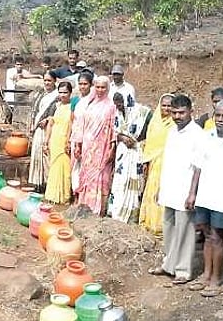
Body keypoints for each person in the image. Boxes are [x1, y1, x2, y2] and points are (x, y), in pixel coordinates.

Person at [186, 99, 223, 297]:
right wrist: (192, 193)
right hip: (205, 196)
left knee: (217, 237)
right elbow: (197, 167)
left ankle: (217, 280)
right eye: (217, 115)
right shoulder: (206, 137)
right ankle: (206, 276)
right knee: (207, 235)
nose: (220, 119)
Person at [149, 94, 204, 284]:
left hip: (184, 191)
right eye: (175, 112)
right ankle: (168, 265)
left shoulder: (197, 134)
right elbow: (169, 162)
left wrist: (192, 193)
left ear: (191, 111)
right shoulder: (173, 131)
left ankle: (183, 270)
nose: (178, 116)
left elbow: (198, 166)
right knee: (169, 228)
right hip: (169, 189)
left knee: (185, 231)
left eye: (182, 113)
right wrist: (160, 187)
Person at [74, 76, 116, 216]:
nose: (99, 90)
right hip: (87, 147)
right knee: (85, 175)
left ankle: (97, 210)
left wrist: (111, 148)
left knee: (101, 176)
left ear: (107, 88)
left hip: (102, 148)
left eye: (103, 87)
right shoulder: (89, 104)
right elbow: (81, 125)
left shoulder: (111, 106)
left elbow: (113, 129)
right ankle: (84, 205)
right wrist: (78, 145)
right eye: (97, 87)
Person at [108, 93, 152, 223]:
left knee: (135, 182)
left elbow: (151, 132)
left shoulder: (143, 113)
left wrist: (138, 141)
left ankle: (131, 216)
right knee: (120, 182)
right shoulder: (117, 113)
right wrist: (122, 138)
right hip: (122, 154)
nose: (119, 107)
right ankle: (117, 213)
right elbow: (115, 132)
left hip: (137, 152)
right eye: (116, 105)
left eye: (121, 104)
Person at [139, 94, 175, 235]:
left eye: (169, 105)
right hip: (154, 162)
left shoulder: (174, 124)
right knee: (152, 190)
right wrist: (146, 160)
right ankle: (149, 221)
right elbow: (149, 142)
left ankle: (161, 225)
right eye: (164, 105)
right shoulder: (155, 122)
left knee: (163, 190)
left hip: (168, 163)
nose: (166, 108)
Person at [28, 71, 59, 192]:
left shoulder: (57, 96)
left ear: (54, 81)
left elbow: (57, 113)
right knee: (37, 154)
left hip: (49, 130)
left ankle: (47, 184)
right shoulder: (41, 94)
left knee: (46, 156)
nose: (47, 83)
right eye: (45, 80)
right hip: (38, 129)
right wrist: (32, 124)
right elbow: (35, 110)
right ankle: (37, 183)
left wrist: (47, 120)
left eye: (49, 81)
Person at [44, 81, 73, 204]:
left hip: (65, 141)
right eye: (60, 92)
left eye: (65, 92)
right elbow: (50, 124)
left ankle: (64, 197)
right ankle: (52, 196)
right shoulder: (56, 106)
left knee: (65, 169)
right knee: (54, 168)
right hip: (54, 140)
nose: (62, 95)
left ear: (70, 93)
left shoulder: (73, 107)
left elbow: (72, 125)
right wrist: (46, 142)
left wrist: (69, 141)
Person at [70, 72, 93, 195]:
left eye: (85, 84)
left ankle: (85, 194)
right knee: (75, 166)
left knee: (86, 166)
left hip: (89, 139)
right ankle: (75, 194)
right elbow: (72, 120)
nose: (83, 87)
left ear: (91, 85)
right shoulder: (76, 100)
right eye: (80, 84)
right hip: (76, 137)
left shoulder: (94, 101)